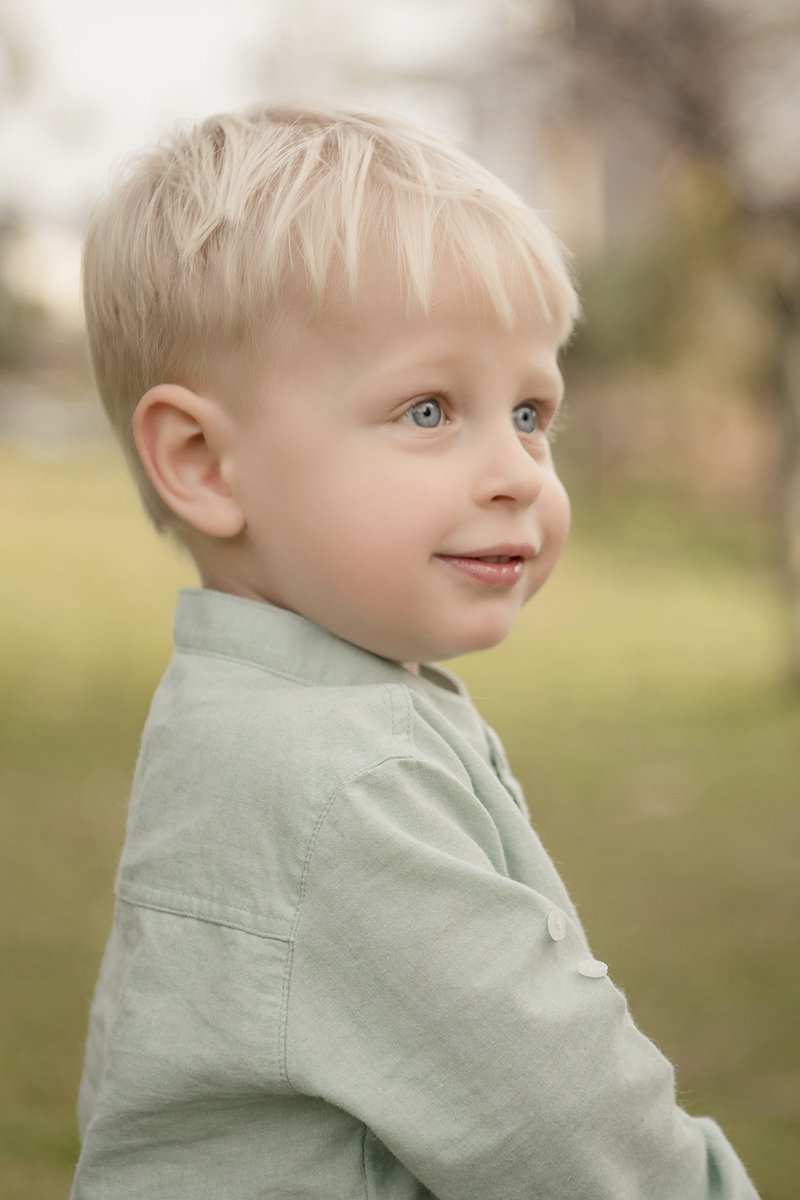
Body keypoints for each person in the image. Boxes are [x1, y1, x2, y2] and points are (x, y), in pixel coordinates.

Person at [71, 102, 759, 1199]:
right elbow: (571, 1136)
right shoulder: (340, 782)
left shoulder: (247, 712)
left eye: (532, 412)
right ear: (202, 461)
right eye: (430, 408)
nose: (518, 472)